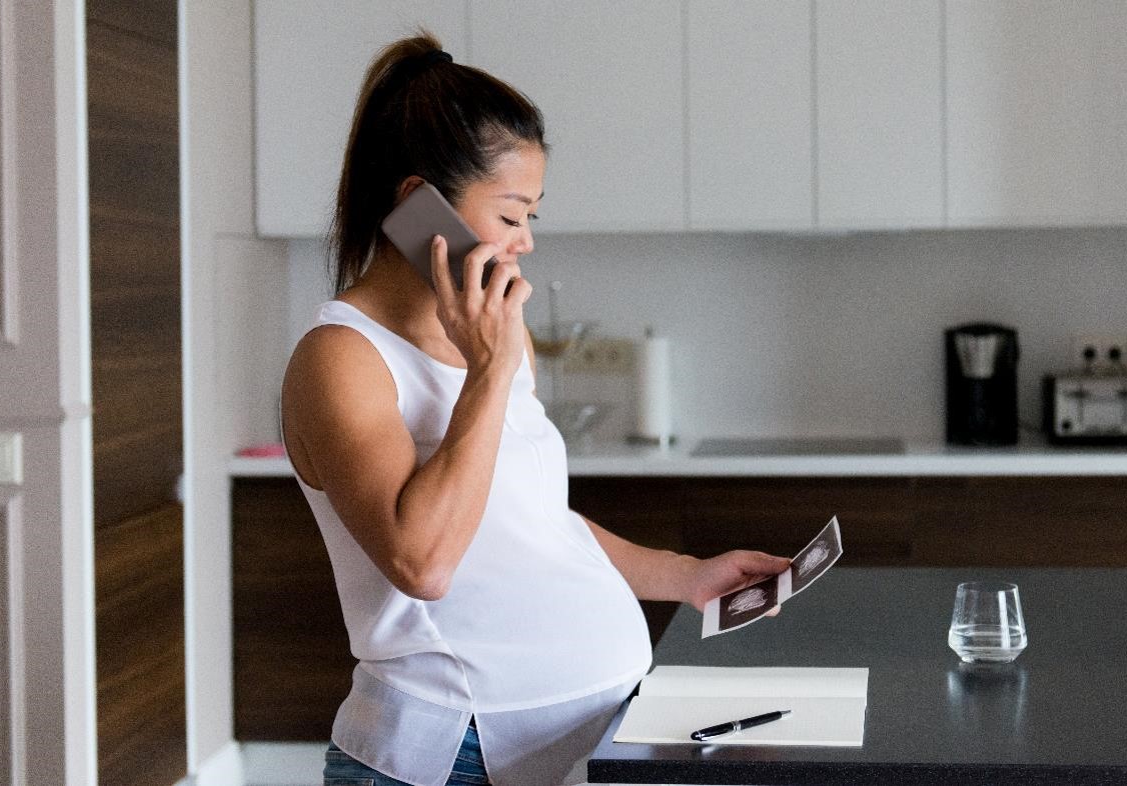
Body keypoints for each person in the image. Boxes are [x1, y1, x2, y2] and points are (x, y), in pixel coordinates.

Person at [279, 32, 790, 786]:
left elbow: (532, 521)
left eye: (532, 220)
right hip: (448, 758)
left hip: (575, 741)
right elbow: (422, 562)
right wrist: (487, 368)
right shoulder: (342, 358)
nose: (523, 244)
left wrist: (684, 576)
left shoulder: (497, 334)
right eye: (511, 215)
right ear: (419, 204)